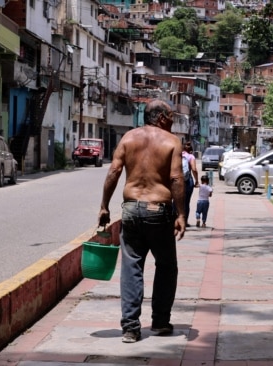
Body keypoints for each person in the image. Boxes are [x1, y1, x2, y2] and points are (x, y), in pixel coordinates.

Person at [98, 100, 186, 344]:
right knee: (167, 267)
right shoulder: (172, 142)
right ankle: (159, 322)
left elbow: (113, 172)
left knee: (131, 267)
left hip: (131, 210)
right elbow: (177, 178)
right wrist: (181, 215)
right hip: (159, 211)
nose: (172, 120)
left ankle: (130, 328)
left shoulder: (128, 138)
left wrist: (104, 206)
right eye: (170, 116)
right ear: (159, 117)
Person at [182, 142, 199, 226]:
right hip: (188, 181)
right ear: (191, 150)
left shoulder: (178, 155)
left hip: (177, 181)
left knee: (176, 201)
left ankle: (174, 219)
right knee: (186, 202)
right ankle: (184, 222)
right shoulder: (191, 156)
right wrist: (197, 180)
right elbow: (194, 169)